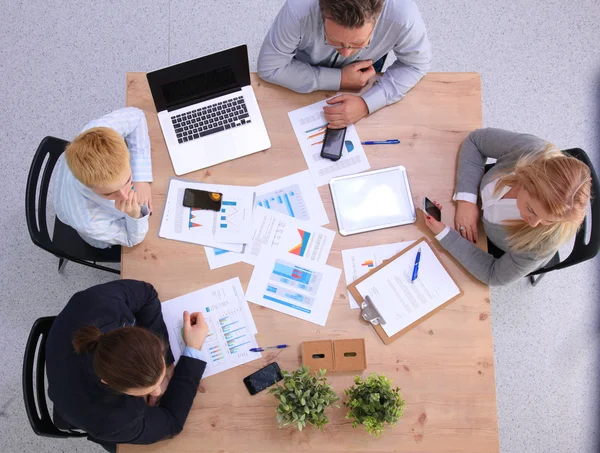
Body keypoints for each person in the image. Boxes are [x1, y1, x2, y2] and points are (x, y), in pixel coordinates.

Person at [46, 280, 208, 452]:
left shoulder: (97, 301)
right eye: (149, 389)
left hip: (62, 353)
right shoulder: (115, 420)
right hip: (78, 406)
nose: (158, 392)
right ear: (108, 383)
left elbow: (147, 294)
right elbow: (172, 424)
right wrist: (193, 350)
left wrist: (167, 366)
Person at [423, 128, 592, 286]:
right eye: (532, 210)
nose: (534, 224)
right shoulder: (530, 149)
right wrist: (466, 200)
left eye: (548, 220)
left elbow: (493, 275)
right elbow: (475, 141)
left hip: (490, 243)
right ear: (526, 178)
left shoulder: (542, 243)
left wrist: (445, 235)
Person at [257, 0, 432, 129]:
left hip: (365, 75)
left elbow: (415, 65)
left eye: (358, 43)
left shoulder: (404, 16)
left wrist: (367, 103)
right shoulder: (298, 10)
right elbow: (270, 67)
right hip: (302, 69)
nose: (346, 53)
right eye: (333, 41)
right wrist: (339, 79)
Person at [54, 107, 154, 255]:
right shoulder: (88, 221)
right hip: (101, 237)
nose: (125, 196)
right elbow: (131, 239)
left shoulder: (98, 135)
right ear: (88, 186)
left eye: (127, 181)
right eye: (109, 194)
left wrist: (141, 179)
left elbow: (137, 116)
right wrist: (135, 215)